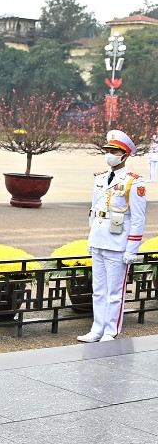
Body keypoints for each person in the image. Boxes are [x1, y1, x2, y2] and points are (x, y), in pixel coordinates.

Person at [78, 130, 147, 343]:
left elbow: (138, 218)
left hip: (118, 245)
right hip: (99, 241)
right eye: (108, 150)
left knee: (115, 292)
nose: (110, 154)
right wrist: (91, 240)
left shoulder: (133, 182)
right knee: (98, 290)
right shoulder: (99, 178)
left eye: (114, 151)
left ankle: (110, 331)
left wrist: (132, 250)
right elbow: (94, 211)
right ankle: (97, 328)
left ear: (125, 155)